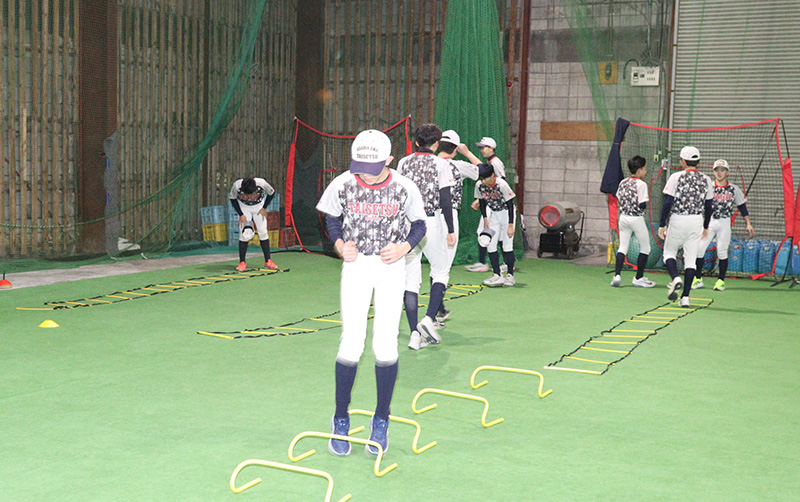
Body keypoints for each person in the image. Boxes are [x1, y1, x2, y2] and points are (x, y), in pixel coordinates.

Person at [315, 129, 427, 457]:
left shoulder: (404, 187)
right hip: (356, 266)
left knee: (384, 344)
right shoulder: (344, 182)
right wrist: (338, 244)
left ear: (390, 160)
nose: (364, 170)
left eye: (373, 165)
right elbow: (333, 217)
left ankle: (382, 420)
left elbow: (418, 224)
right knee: (351, 342)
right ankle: (340, 418)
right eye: (360, 164)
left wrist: (404, 246)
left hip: (390, 268)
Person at [397, 124, 456, 350]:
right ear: (436, 143)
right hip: (429, 222)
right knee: (440, 271)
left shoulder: (403, 162)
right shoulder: (442, 164)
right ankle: (429, 319)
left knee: (410, 281)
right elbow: (445, 199)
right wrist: (450, 229)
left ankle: (414, 334)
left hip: (406, 226)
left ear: (417, 141)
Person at [425, 130, 480, 333]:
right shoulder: (457, 165)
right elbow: (487, 171)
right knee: (442, 268)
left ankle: (438, 309)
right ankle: (430, 317)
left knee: (433, 265)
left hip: (424, 217)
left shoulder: (427, 163)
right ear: (455, 149)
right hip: (447, 218)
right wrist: (467, 153)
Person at [657, 146, 714, 307]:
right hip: (696, 220)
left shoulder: (676, 177)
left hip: (678, 219)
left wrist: (662, 224)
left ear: (683, 161)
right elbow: (709, 205)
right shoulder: (706, 179)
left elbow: (668, 202)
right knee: (691, 260)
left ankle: (675, 278)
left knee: (669, 252)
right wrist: (706, 226)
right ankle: (686, 298)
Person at [692, 159, 755, 291]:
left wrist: (748, 223)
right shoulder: (709, 187)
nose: (719, 173)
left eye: (722, 170)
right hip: (709, 222)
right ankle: (697, 279)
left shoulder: (733, 189)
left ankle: (720, 281)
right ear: (713, 172)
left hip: (724, 223)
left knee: (721, 251)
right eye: (717, 170)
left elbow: (742, 206)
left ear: (727, 172)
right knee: (699, 249)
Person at [611, 156, 656, 288]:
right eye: (644, 169)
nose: (646, 171)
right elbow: (642, 204)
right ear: (639, 170)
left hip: (623, 218)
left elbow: (618, 197)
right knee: (646, 248)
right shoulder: (641, 184)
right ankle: (638, 277)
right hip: (636, 219)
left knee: (623, 247)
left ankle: (617, 275)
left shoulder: (623, 182)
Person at [465, 136, 508, 273]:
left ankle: (500, 263)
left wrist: (481, 199)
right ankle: (485, 261)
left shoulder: (495, 163)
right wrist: (480, 200)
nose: (482, 150)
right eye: (481, 148)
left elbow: (501, 183)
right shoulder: (490, 162)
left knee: (492, 233)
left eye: (484, 147)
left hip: (497, 205)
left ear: (492, 148)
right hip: (491, 202)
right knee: (488, 232)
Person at [475, 163, 517, 286]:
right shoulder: (479, 185)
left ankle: (510, 275)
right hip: (493, 215)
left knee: (507, 245)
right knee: (490, 245)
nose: (484, 181)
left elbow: (510, 205)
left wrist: (510, 225)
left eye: (486, 178)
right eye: (481, 179)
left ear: (492, 175)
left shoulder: (502, 185)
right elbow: (482, 202)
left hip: (506, 215)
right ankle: (497, 274)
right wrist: (485, 218)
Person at [229, 177, 278, 271]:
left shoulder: (262, 183)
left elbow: (271, 193)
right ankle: (242, 262)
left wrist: (264, 208)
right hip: (244, 208)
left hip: (258, 207)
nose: (249, 196)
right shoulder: (236, 185)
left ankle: (268, 261)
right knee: (244, 234)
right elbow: (233, 198)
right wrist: (241, 214)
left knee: (263, 231)